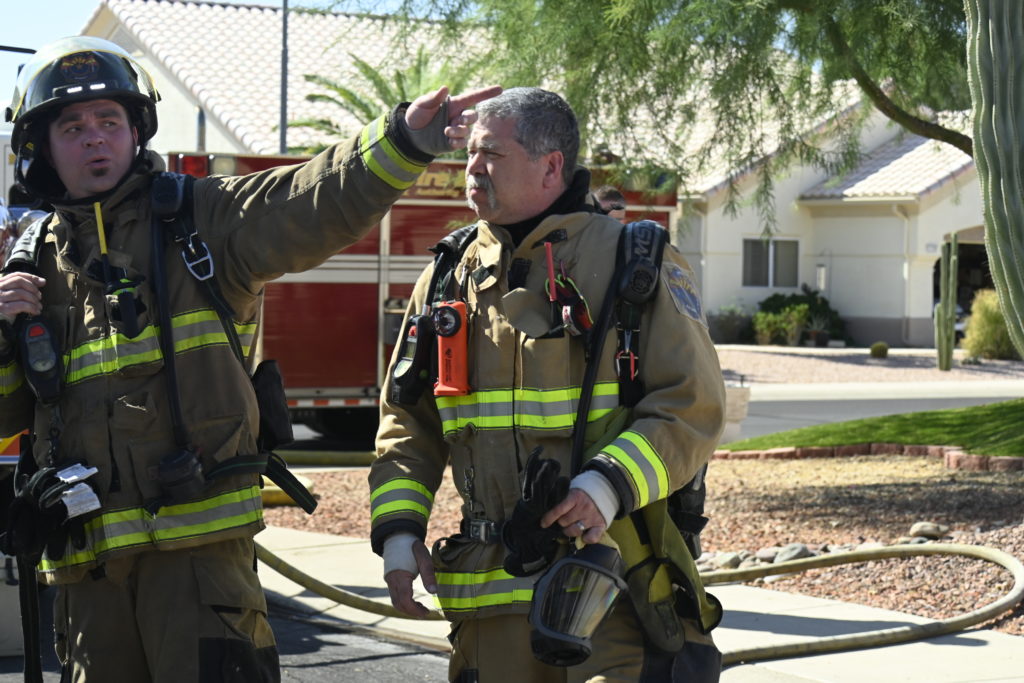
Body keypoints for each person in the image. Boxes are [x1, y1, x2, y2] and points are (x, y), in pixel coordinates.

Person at [0, 35, 499, 683]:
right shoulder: (30, 263)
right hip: (87, 578)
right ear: (41, 148)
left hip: (199, 569)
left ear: (137, 130)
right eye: (73, 127)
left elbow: (312, 198)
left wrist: (403, 139)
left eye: (109, 120)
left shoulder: (203, 219)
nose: (95, 138)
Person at [370, 87, 725, 682]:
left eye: (492, 154)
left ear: (551, 166)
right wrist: (399, 535)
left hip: (614, 596)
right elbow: (407, 420)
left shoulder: (636, 263)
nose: (473, 168)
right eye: (469, 153)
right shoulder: (447, 276)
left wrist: (605, 486)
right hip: (489, 609)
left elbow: (693, 406)